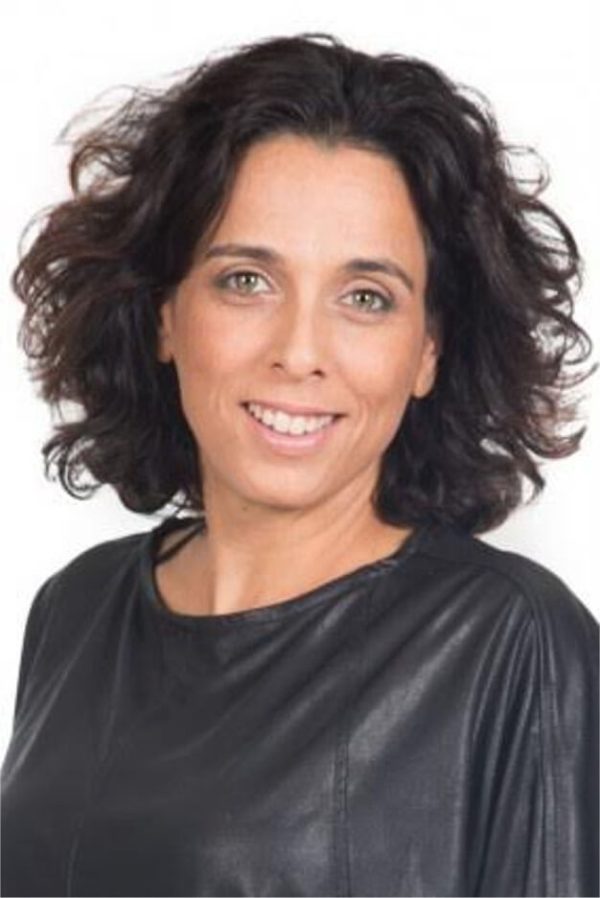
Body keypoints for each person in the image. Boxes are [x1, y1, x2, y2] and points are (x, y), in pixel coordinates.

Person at [1, 30, 598, 898]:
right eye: (247, 280)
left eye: (366, 298)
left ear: (428, 351)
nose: (300, 351)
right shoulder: (76, 608)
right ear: (164, 313)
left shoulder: (509, 640)